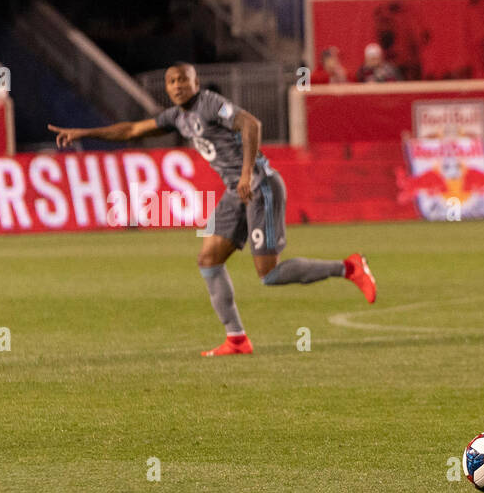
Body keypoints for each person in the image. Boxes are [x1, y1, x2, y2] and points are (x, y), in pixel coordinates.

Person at [48, 64, 376, 357]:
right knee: (208, 260)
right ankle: (236, 339)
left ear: (196, 82)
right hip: (235, 192)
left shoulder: (210, 103)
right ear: (167, 88)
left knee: (270, 275)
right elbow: (132, 130)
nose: (177, 86)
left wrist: (247, 172)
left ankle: (348, 268)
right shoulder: (177, 116)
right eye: (172, 81)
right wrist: (84, 133)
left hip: (259, 185)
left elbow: (251, 124)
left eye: (183, 80)